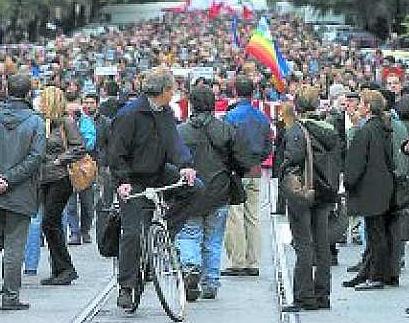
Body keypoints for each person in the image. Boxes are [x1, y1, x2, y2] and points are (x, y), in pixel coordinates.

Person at [108, 68, 202, 309]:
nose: (174, 94)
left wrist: (185, 166)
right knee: (131, 232)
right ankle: (126, 287)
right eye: (172, 89)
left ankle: (163, 232)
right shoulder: (129, 114)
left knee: (195, 188)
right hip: (134, 178)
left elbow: (175, 143)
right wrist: (122, 181)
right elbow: (116, 152)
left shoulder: (166, 112)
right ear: (163, 91)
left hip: (158, 172)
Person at [176, 85, 239, 300]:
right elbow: (237, 159)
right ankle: (211, 282)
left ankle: (190, 267)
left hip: (190, 193)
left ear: (191, 104)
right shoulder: (225, 129)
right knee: (213, 239)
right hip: (218, 192)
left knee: (189, 234)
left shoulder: (180, 131)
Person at [279, 94, 334, 312]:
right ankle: (323, 294)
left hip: (303, 192)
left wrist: (285, 179)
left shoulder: (297, 131)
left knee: (303, 244)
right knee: (322, 244)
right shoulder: (330, 129)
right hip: (325, 191)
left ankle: (304, 296)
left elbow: (291, 161)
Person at [0, 73, 46, 309]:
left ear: (7, 90)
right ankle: (9, 297)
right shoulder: (36, 121)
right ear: (29, 93)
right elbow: (36, 157)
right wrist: (8, 179)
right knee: (14, 247)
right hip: (20, 193)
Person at [343, 89, 395, 290]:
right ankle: (368, 272)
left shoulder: (366, 131)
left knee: (375, 234)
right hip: (382, 186)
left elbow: (356, 163)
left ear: (368, 107)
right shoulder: (382, 127)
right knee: (376, 232)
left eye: (362, 103)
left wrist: (348, 182)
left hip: (370, 188)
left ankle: (376, 276)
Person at [222, 76, 271, 277]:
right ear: (253, 93)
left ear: (235, 92)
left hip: (236, 172)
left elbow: (226, 145)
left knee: (235, 217)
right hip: (255, 170)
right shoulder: (262, 117)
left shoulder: (231, 117)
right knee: (253, 217)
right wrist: (256, 159)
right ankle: (253, 261)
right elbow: (269, 147)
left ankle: (238, 261)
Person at [39, 86, 86, 286]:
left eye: (43, 100)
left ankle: (65, 268)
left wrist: (60, 160)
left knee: (49, 222)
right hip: (45, 178)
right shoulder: (41, 123)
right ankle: (60, 269)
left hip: (61, 177)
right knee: (52, 223)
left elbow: (79, 147)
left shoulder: (66, 122)